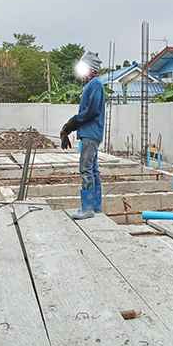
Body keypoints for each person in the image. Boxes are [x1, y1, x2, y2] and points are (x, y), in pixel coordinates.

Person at [61, 52, 105, 220]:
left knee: (86, 169)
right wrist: (72, 126)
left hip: (90, 133)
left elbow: (91, 111)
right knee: (93, 169)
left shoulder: (95, 84)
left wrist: (74, 122)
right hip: (90, 133)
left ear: (90, 68)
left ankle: (87, 208)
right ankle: (96, 206)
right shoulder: (92, 84)